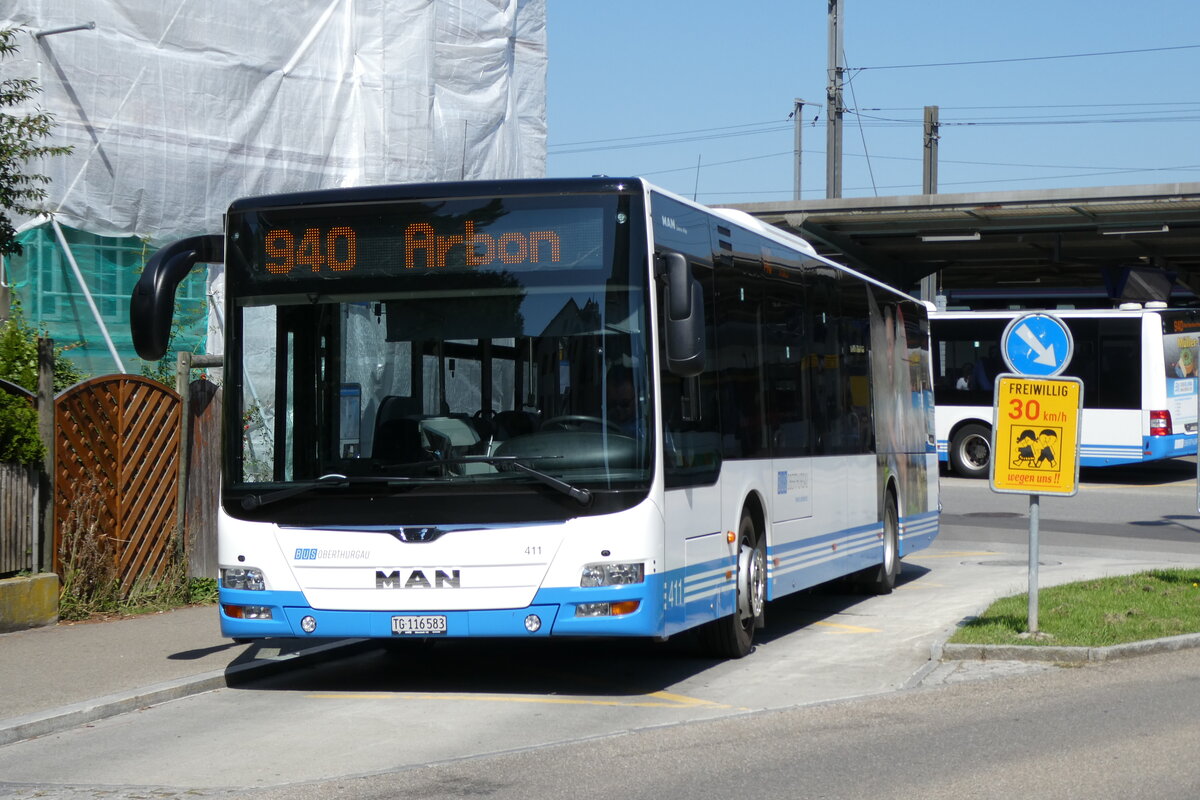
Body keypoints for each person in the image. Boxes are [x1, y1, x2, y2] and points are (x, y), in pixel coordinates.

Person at [606, 365, 640, 437]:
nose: (618, 408)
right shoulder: (600, 422)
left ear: (636, 400)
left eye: (624, 404)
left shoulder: (646, 427)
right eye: (613, 404)